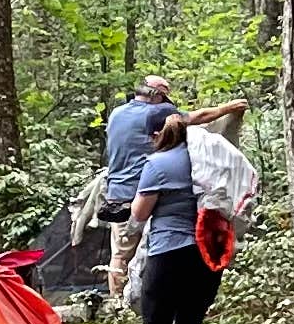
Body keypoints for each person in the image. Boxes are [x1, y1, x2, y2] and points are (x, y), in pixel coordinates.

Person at [97, 75, 243, 295]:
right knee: (154, 250)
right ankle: (153, 300)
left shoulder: (117, 113)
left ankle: (118, 304)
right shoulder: (157, 113)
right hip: (147, 192)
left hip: (116, 195)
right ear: (157, 95)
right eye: (165, 96)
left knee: (120, 253)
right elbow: (199, 116)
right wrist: (230, 107)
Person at [127, 110, 227, 324]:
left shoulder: (158, 163)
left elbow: (139, 214)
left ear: (156, 135)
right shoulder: (209, 159)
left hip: (170, 251)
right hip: (209, 252)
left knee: (155, 320)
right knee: (189, 319)